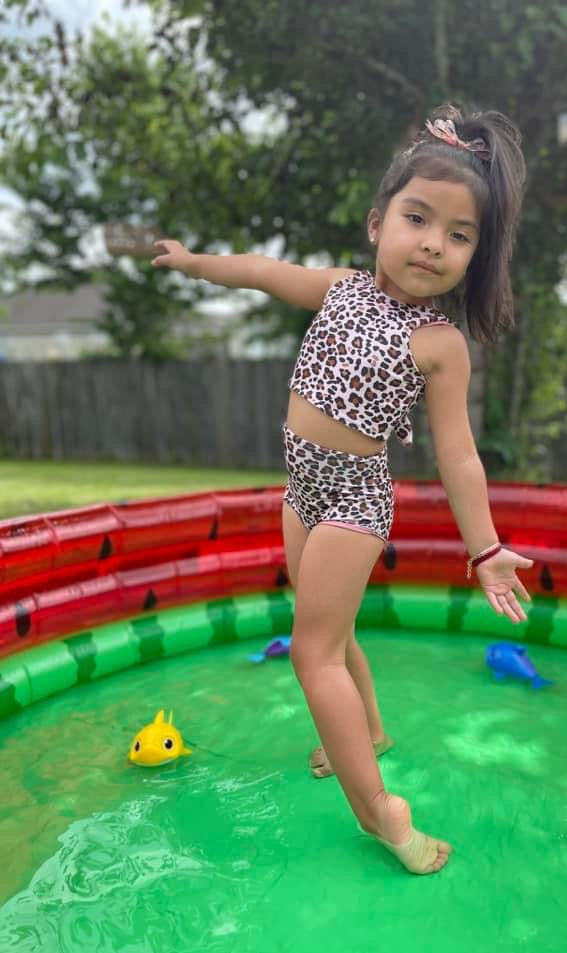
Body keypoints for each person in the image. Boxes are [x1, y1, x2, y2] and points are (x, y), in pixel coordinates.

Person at [152, 103, 533, 875]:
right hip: (303, 487)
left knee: (313, 654)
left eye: (459, 236)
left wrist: (485, 547)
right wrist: (195, 262)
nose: (434, 243)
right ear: (376, 222)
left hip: (356, 501)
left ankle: (384, 815)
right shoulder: (339, 289)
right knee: (335, 631)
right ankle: (375, 730)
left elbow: (458, 457)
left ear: (474, 254)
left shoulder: (439, 344)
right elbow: (261, 272)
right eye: (418, 218)